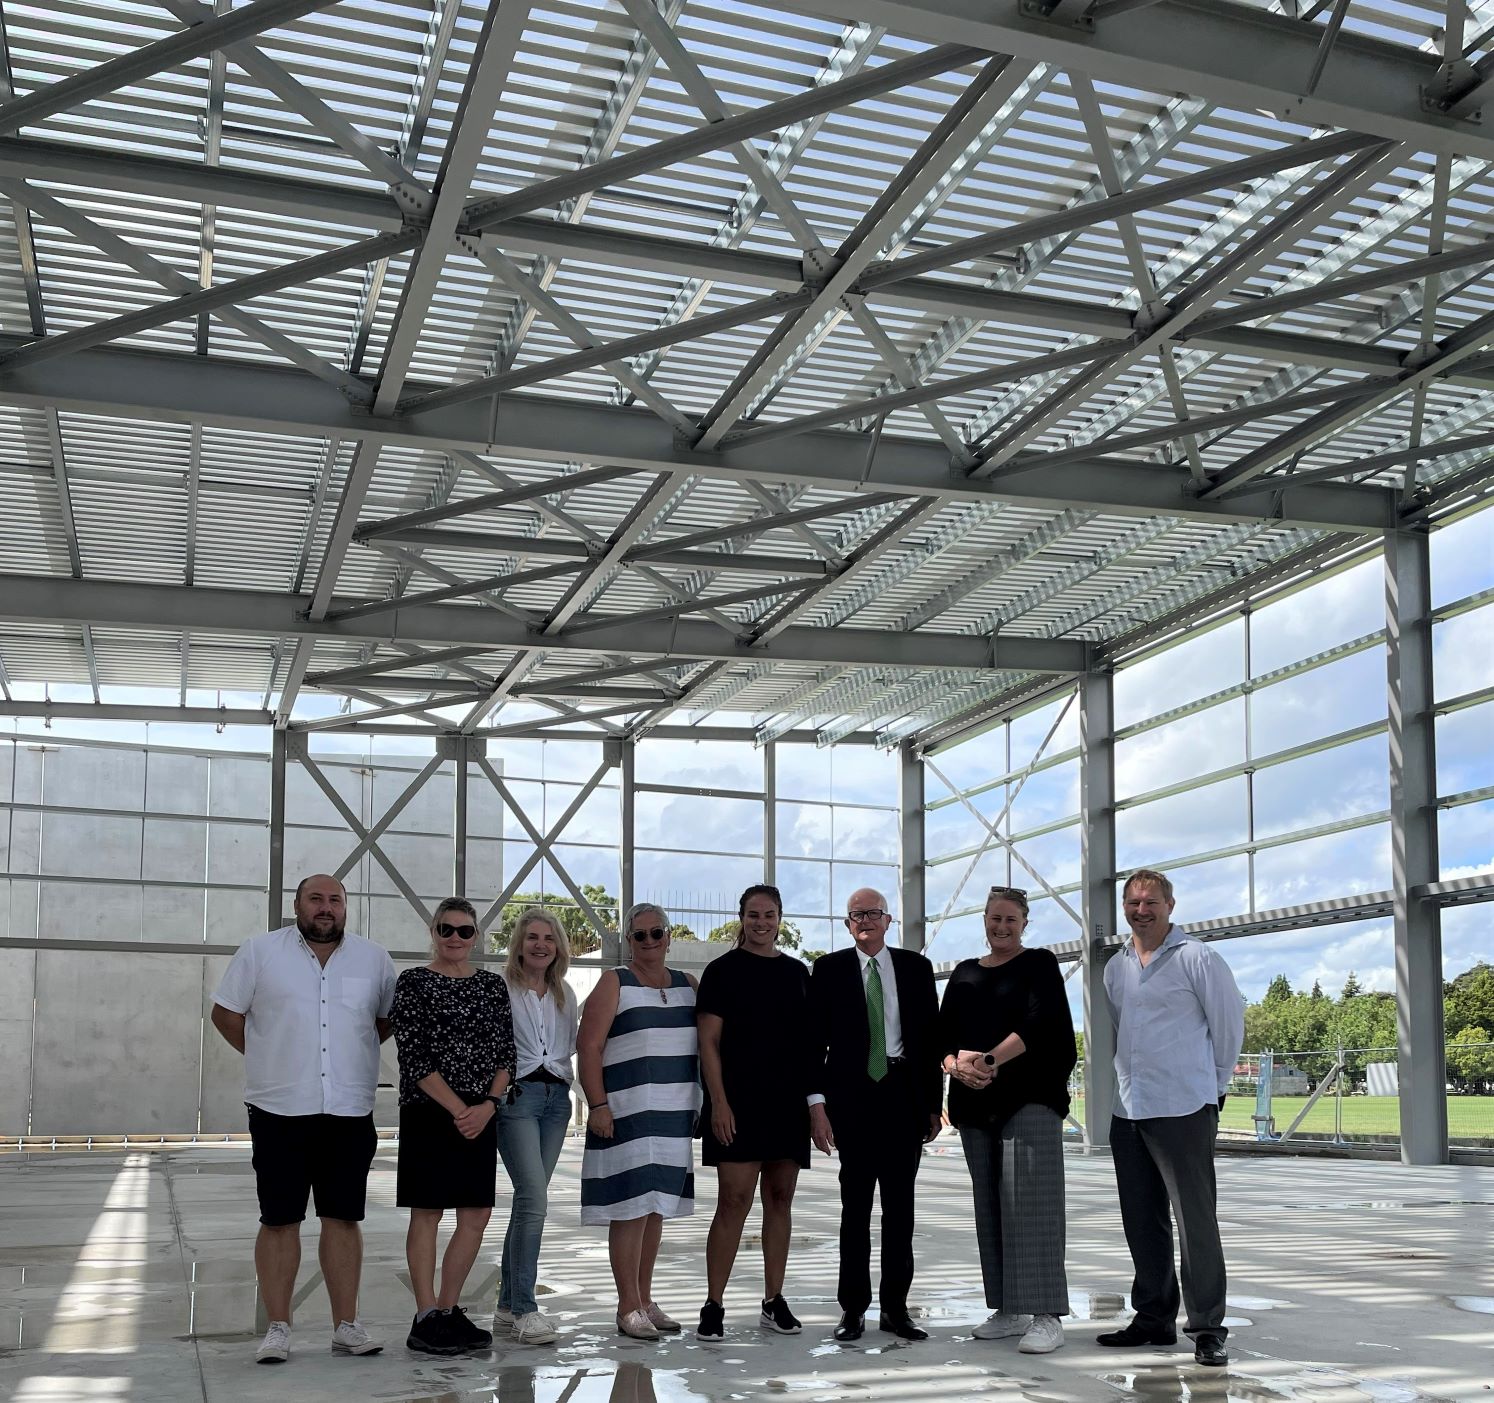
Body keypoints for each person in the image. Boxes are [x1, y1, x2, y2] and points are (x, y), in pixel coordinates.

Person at [209, 873, 395, 1365]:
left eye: (335, 899)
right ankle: (277, 1328)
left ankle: (346, 1326)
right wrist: (268, 1058)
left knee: (343, 1218)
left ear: (346, 907)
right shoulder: (259, 951)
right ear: (297, 905)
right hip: (278, 1110)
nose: (326, 907)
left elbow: (384, 1020)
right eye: (316, 898)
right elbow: (226, 1014)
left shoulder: (373, 959)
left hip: (349, 1110)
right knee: (279, 1220)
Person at [1100, 868, 1245, 1368]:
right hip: (1129, 1108)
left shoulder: (1198, 959)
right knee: (1142, 1221)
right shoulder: (1116, 966)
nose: (1141, 910)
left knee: (1195, 1222)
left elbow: (1228, 1030)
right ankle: (1154, 1318)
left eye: (1150, 902)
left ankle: (1207, 1327)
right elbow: (1123, 1030)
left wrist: (1214, 1090)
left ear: (1170, 905)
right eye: (1133, 902)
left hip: (1184, 1107)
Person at [939, 886, 1075, 1355]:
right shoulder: (963, 973)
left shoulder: (1039, 963)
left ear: (1024, 924)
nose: (1001, 927)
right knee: (991, 1204)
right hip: (975, 1103)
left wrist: (989, 1061)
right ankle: (1008, 1308)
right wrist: (958, 1065)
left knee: (1031, 1204)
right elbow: (943, 1038)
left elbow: (1043, 1024)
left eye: (1011, 920)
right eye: (994, 919)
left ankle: (1046, 1312)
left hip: (1029, 1097)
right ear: (984, 919)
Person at [807, 887, 940, 1343]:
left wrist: (933, 1106)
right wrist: (816, 1106)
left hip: (903, 1097)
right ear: (847, 924)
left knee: (900, 1211)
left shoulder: (916, 969)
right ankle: (853, 1310)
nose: (865, 920)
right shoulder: (827, 970)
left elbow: (930, 1041)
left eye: (873, 913)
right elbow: (812, 1045)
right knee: (855, 1210)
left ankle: (897, 1310)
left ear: (888, 920)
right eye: (856, 915)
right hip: (852, 1101)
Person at [390, 897, 516, 1355]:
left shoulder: (491, 985)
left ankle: (447, 1309)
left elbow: (507, 1054)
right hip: (429, 1113)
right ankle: (424, 1317)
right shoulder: (414, 982)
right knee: (427, 1211)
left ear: (477, 936)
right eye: (447, 929)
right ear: (433, 932)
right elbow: (414, 1056)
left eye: (465, 931)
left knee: (476, 1214)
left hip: (481, 1116)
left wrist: (487, 1105)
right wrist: (459, 1109)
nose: (455, 938)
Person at [578, 902, 700, 1340]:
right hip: (626, 1113)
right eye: (639, 935)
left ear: (669, 936)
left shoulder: (689, 984)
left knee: (655, 1212)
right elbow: (588, 1047)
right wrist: (598, 1105)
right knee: (629, 1210)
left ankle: (645, 1299)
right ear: (628, 941)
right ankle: (627, 1305)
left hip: (672, 1115)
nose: (649, 941)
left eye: (657, 932)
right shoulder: (615, 982)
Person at [694, 884, 812, 1341]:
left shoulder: (799, 973)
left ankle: (772, 1299)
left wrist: (812, 1106)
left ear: (780, 918)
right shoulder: (722, 971)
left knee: (780, 1199)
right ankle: (714, 1302)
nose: (761, 923)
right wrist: (719, 1102)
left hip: (786, 1105)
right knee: (734, 1201)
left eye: (769, 915)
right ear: (740, 917)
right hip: (738, 1103)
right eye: (753, 915)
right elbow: (708, 1043)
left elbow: (807, 1047)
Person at [495, 907, 580, 1345]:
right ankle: (527, 1308)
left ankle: (509, 1305)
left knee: (531, 1201)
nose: (541, 944)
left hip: (556, 1102)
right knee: (534, 1198)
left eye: (549, 938)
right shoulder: (501, 988)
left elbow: (568, 1050)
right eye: (532, 937)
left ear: (558, 946)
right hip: (518, 1099)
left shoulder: (565, 993)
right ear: (519, 943)